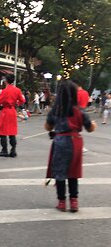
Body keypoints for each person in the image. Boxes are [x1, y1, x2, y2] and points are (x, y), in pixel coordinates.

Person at [45, 80, 96, 212]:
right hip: (75, 141)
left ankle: (61, 202)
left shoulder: (56, 110)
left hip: (60, 140)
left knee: (60, 172)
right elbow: (90, 128)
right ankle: (74, 202)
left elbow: (48, 127)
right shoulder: (79, 110)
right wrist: (94, 124)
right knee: (73, 172)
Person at [0, 75, 25, 157]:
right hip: (13, 111)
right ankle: (13, 150)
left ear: (6, 81)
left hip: (5, 111)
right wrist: (16, 104)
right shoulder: (17, 90)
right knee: (12, 132)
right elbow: (22, 100)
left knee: (3, 132)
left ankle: (4, 150)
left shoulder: (5, 91)